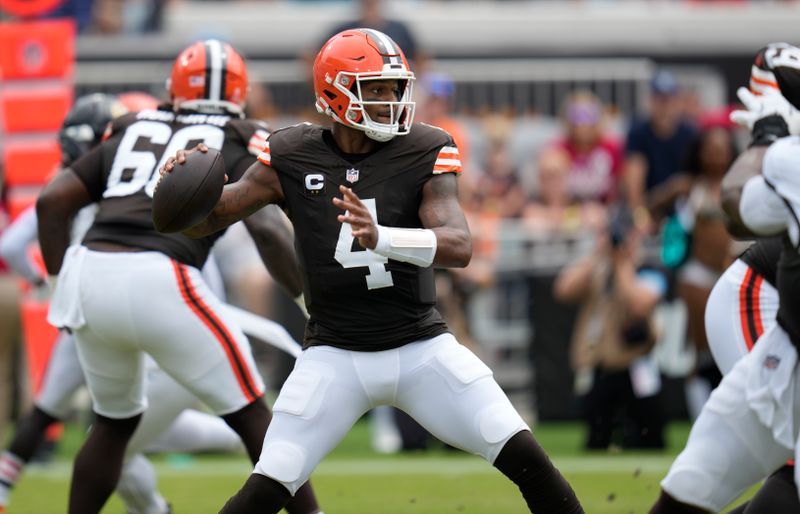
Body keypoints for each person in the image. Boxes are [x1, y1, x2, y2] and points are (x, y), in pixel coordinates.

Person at [162, 28, 583, 514]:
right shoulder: (292, 152)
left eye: (394, 88)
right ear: (333, 91)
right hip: (334, 353)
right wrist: (172, 189)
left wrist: (383, 237)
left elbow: (459, 245)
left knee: (527, 457)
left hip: (420, 345)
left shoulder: (425, 148)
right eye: (375, 89)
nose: (391, 100)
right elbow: (211, 216)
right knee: (269, 485)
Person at [35, 40, 321, 514]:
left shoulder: (131, 125)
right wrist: (312, 306)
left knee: (112, 423)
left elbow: (51, 203)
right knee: (252, 412)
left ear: (174, 87)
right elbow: (268, 231)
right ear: (240, 92)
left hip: (90, 274)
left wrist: (59, 288)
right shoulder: (239, 134)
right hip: (162, 275)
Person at [649, 43, 800, 514]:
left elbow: (741, 206)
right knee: (696, 485)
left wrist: (767, 138)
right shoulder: (790, 163)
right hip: (770, 309)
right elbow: (738, 213)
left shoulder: (787, 159)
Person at [554, 205, 667, 450]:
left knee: (647, 439)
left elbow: (639, 304)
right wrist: (599, 255)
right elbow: (563, 289)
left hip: (636, 364)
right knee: (597, 439)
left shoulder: (647, 269)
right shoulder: (598, 268)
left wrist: (622, 264)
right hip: (603, 365)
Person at [622, 69, 697, 226]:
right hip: (650, 206)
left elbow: (694, 178)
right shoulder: (638, 133)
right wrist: (640, 216)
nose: (664, 105)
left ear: (676, 100)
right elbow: (634, 180)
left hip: (684, 209)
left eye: (668, 99)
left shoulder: (690, 133)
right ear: (651, 100)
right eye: (659, 99)